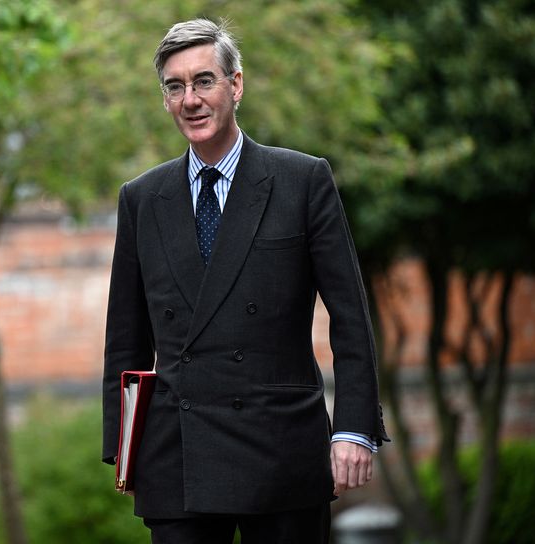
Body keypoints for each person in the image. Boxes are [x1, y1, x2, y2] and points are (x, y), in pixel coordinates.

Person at [102, 18, 388, 544]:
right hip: (177, 455)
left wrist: (353, 429)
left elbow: (350, 317)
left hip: (280, 447)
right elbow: (126, 338)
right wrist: (123, 446)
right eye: (175, 86)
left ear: (236, 85)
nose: (191, 99)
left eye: (204, 80)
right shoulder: (141, 198)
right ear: (164, 99)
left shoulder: (302, 181)